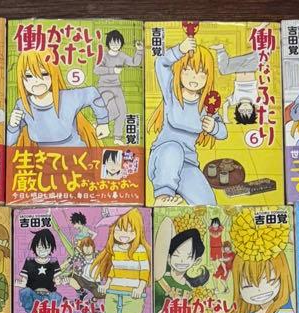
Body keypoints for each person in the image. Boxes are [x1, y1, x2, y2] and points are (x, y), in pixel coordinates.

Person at [147, 35, 226, 204]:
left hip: (188, 164)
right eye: (188, 70)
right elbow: (161, 63)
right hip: (162, 159)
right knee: (173, 150)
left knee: (209, 204)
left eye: (201, 73)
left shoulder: (206, 105)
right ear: (179, 71)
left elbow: (223, 133)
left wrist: (214, 127)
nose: (194, 78)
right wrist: (179, 50)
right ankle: (162, 196)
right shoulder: (171, 92)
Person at [7, 50, 108, 149]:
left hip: (76, 156)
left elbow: (92, 93)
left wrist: (103, 122)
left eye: (44, 74)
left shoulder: (68, 98)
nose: (37, 81)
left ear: (53, 74)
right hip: (45, 158)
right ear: (21, 79)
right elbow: (9, 142)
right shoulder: (22, 105)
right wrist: (12, 126)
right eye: (29, 76)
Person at [94, 29, 143, 140]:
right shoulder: (103, 55)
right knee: (113, 112)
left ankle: (117, 138)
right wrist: (112, 70)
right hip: (104, 87)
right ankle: (97, 124)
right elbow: (96, 70)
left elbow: (134, 62)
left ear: (121, 43)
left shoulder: (122, 55)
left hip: (117, 87)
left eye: (118, 43)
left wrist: (139, 51)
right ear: (108, 43)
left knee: (122, 112)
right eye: (112, 43)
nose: (115, 45)